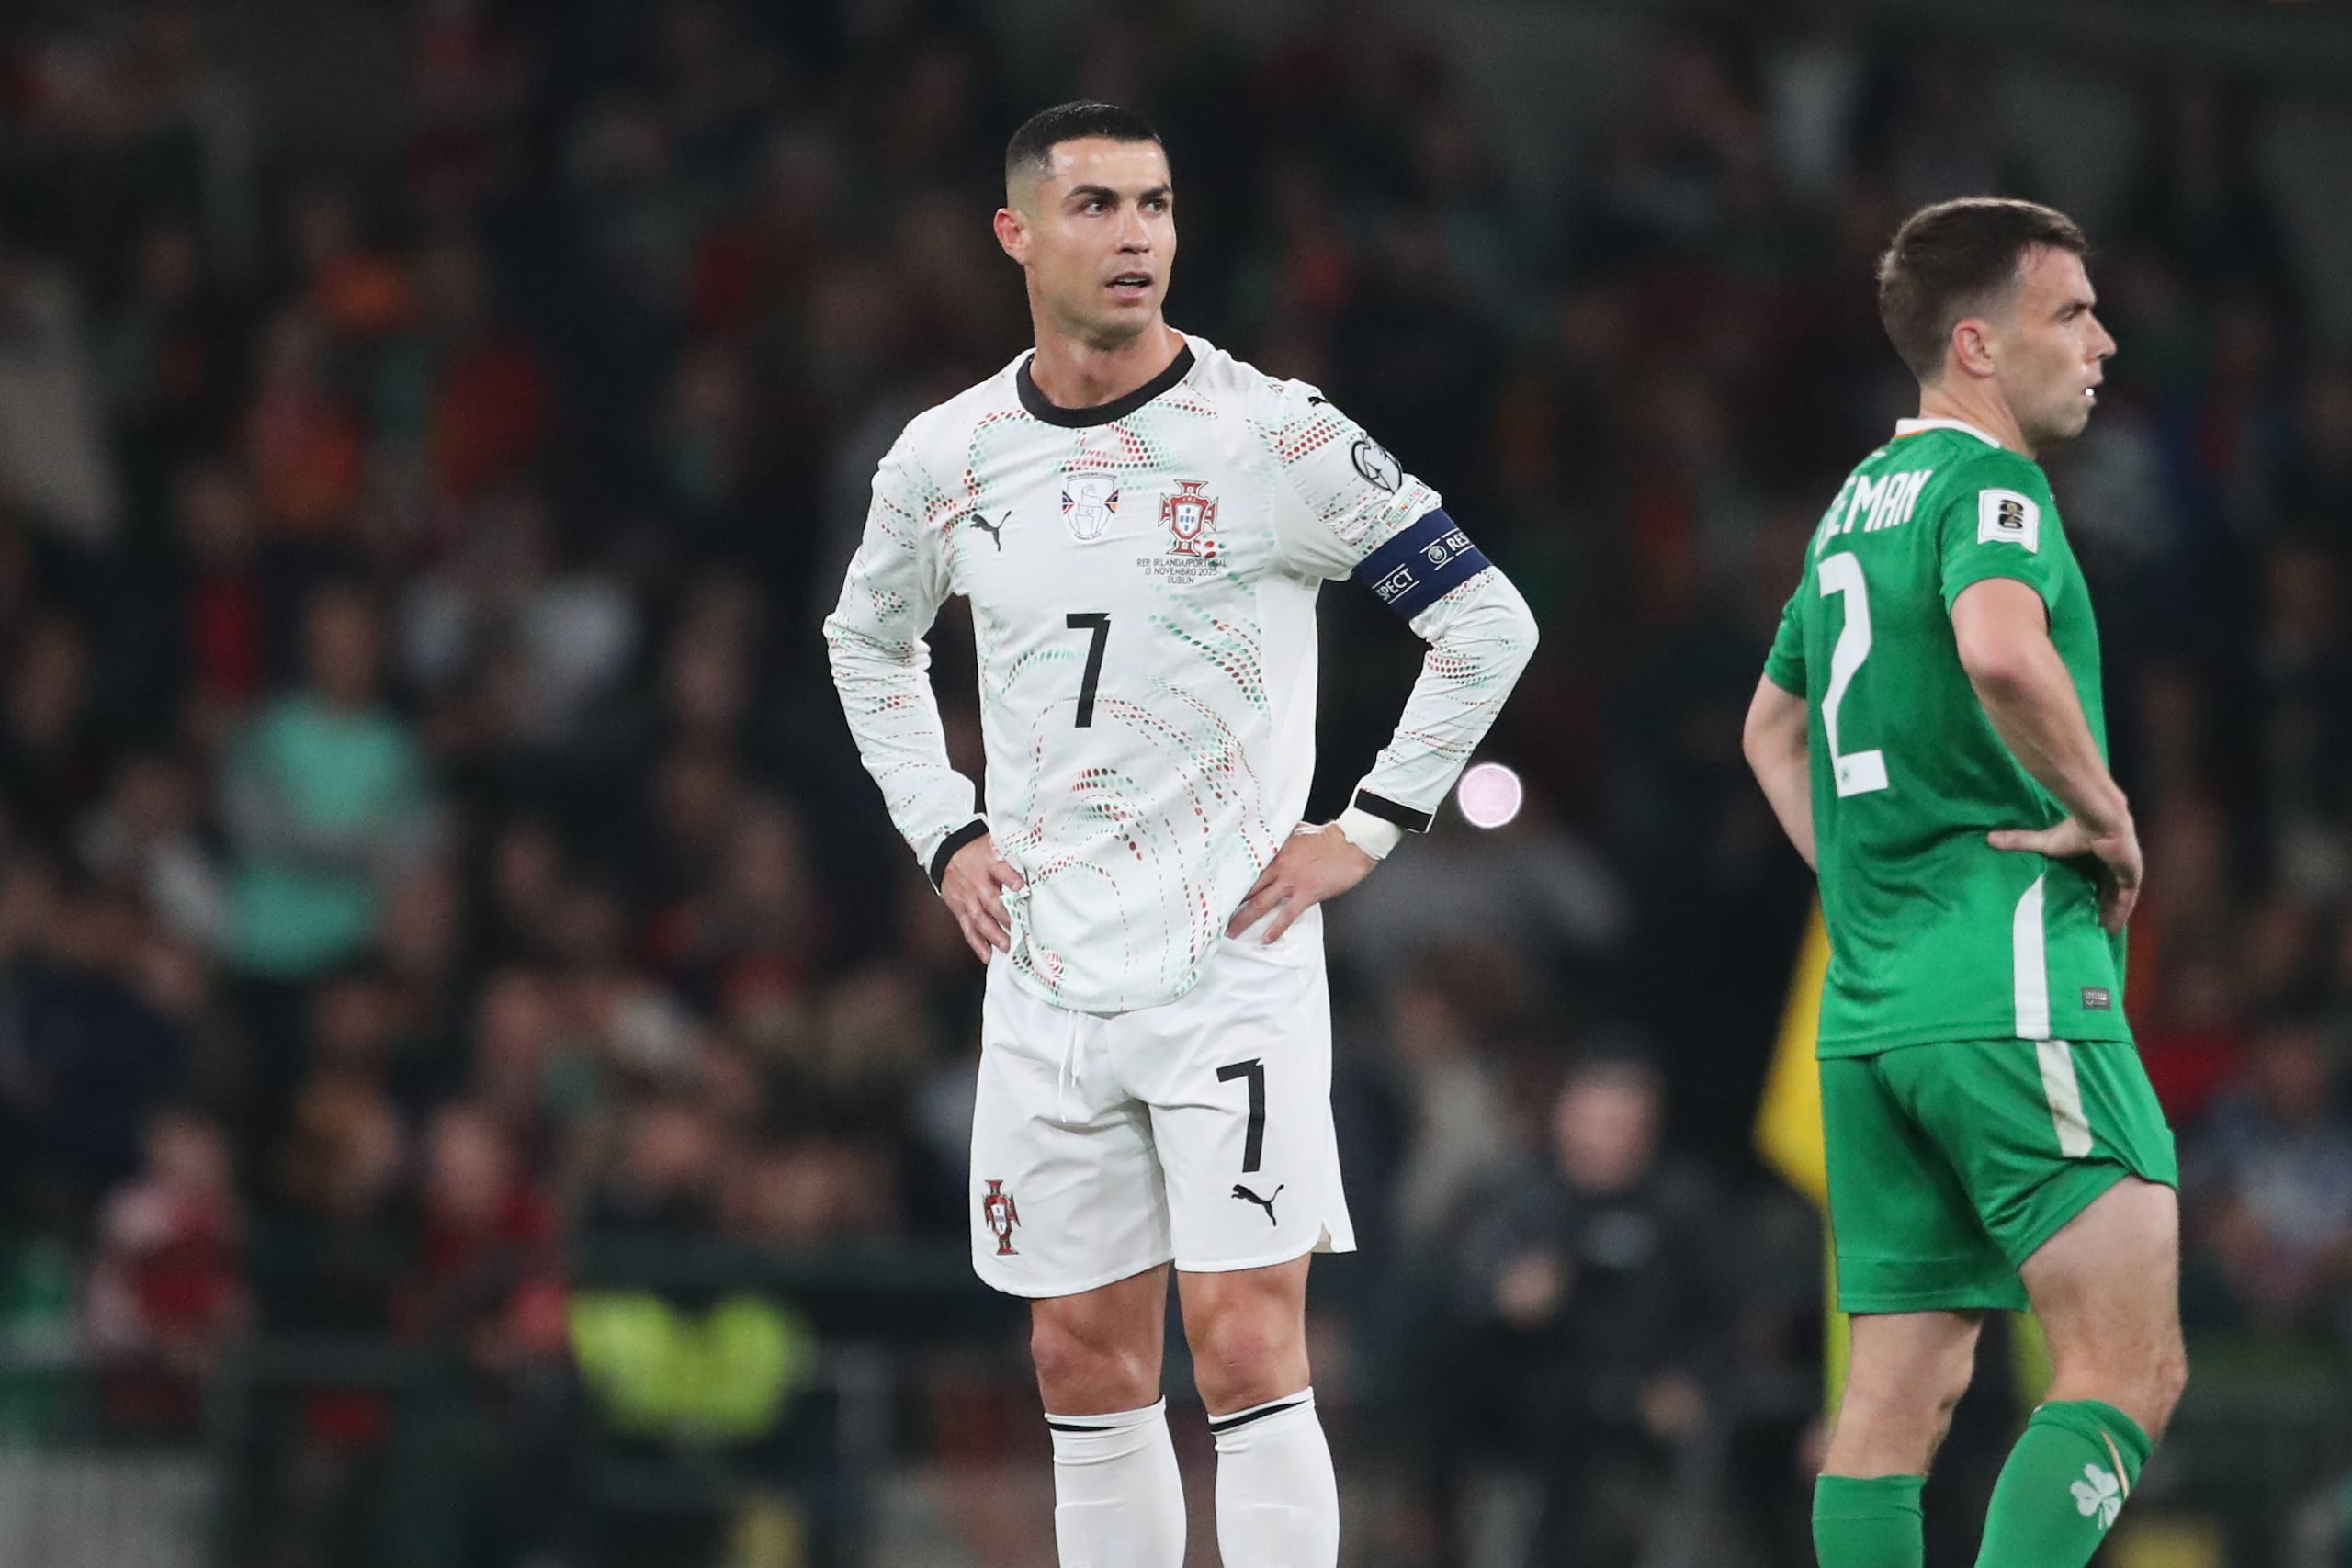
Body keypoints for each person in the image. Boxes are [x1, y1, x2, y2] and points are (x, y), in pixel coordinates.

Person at [823, 101, 1538, 1568]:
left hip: (1233, 961)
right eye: (1094, 206)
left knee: (1244, 1342)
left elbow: (1486, 619)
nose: (1136, 234)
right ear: (1017, 234)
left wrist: (1373, 824)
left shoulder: (1272, 433)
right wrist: (946, 834)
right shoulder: (946, 455)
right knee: (1080, 1362)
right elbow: (866, 643)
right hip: (1044, 968)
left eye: (1153, 204)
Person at [1742, 197, 2188, 1568]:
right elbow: (2001, 649)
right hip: (2009, 975)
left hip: (1876, 1002)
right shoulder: (1989, 489)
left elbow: (1768, 729)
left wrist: (1877, 880)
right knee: (2128, 1370)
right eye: (2072, 313)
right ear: (1980, 345)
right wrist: (2105, 814)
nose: (2104, 341)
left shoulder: (1847, 508)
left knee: (1893, 1402)